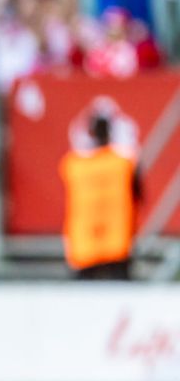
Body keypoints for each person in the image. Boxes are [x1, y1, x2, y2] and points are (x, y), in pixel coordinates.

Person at [59, 114, 139, 279]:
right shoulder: (123, 163)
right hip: (117, 241)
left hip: (84, 242)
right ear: (110, 133)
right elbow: (139, 195)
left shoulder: (75, 165)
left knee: (83, 299)